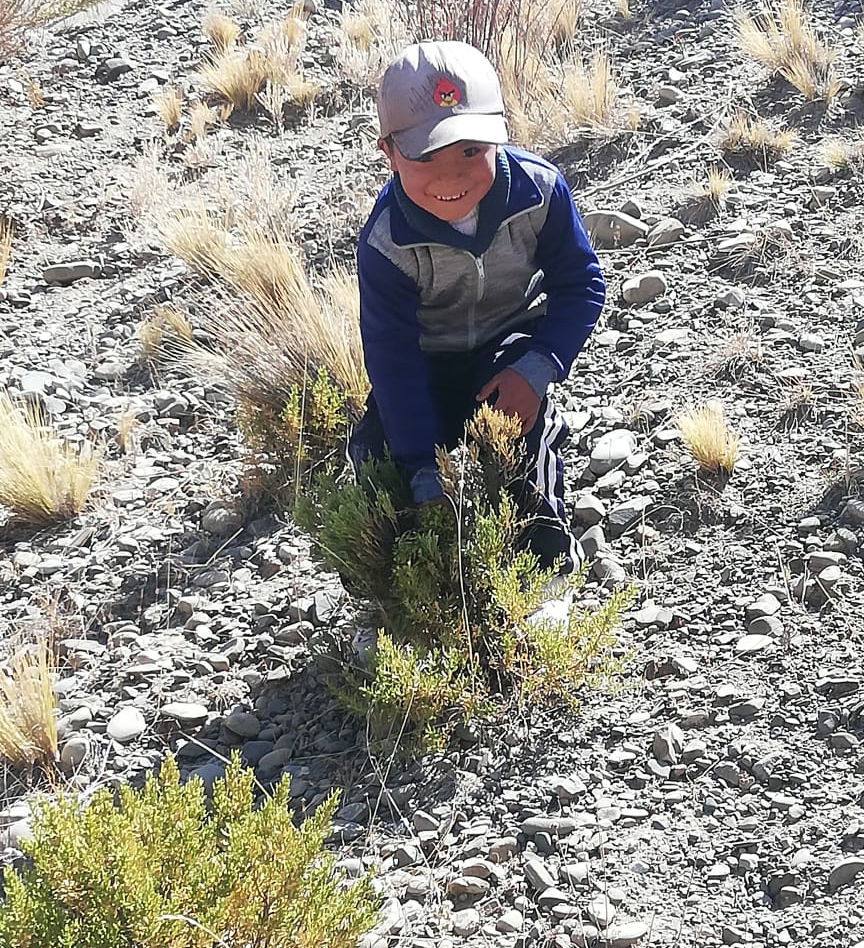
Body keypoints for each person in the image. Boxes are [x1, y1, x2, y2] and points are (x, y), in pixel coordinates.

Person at [348, 40, 605, 579]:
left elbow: (581, 286)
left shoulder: (540, 192)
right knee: (376, 453)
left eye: (471, 150)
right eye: (425, 156)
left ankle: (547, 562)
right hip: (428, 364)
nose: (451, 176)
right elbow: (394, 365)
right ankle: (393, 591)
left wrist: (535, 372)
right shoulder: (386, 244)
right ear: (389, 153)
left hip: (507, 349)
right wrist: (423, 470)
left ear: (499, 135)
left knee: (520, 437)